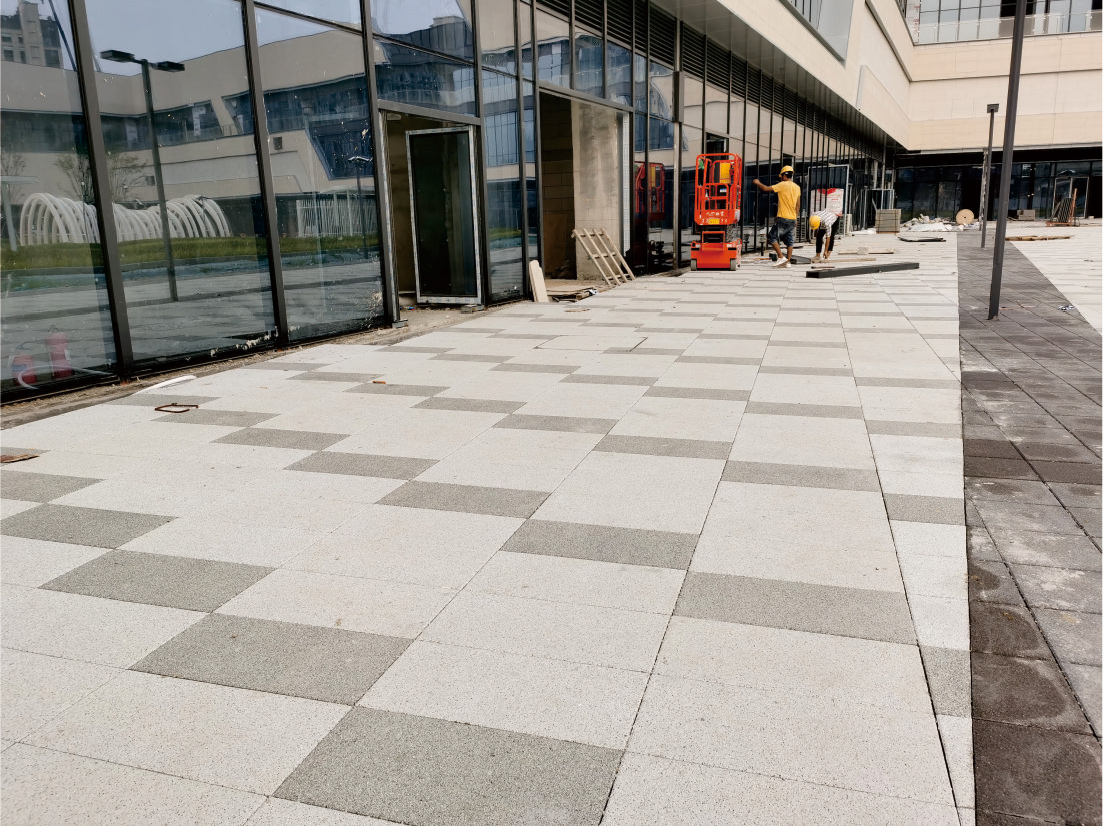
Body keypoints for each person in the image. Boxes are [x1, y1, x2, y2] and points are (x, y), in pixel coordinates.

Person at [753, 165, 801, 267]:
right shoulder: (797, 187)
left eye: (781, 176)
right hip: (792, 219)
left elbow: (765, 188)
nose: (781, 178)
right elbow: (798, 205)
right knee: (789, 241)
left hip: (784, 218)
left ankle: (781, 257)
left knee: (771, 237)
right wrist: (795, 218)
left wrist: (757, 182)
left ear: (784, 175)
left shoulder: (782, 185)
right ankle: (787, 262)